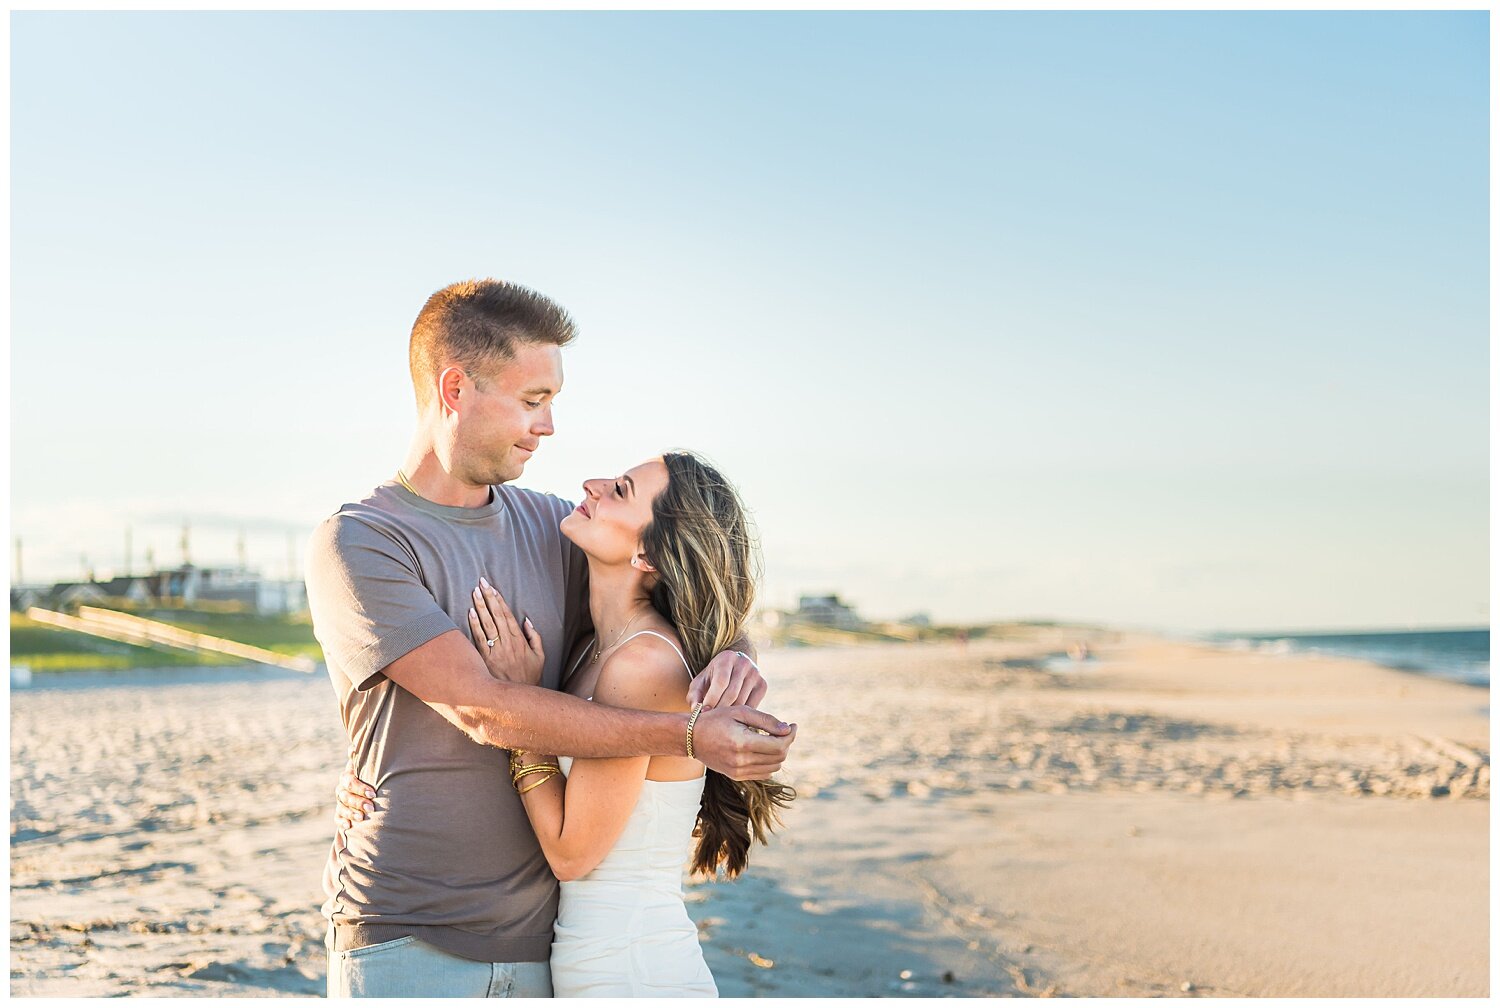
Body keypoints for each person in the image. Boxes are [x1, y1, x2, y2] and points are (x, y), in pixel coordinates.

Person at [305, 279, 796, 998]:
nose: (549, 426)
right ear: (455, 388)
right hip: (411, 937)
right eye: (533, 401)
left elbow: (679, 580)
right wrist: (687, 735)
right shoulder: (363, 541)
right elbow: (481, 707)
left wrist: (732, 656)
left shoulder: (554, 526)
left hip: (550, 947)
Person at [344, 452, 793, 996]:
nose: (593, 484)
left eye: (622, 490)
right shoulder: (593, 651)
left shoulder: (642, 665)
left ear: (649, 552)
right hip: (591, 961)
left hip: (631, 970)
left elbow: (571, 853)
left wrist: (522, 705)